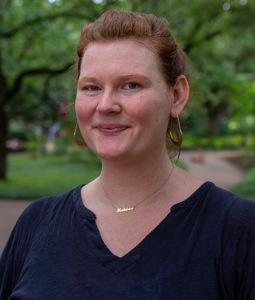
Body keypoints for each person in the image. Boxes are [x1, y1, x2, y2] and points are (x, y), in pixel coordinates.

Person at [0, 11, 255, 300]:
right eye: (92, 87)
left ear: (177, 96)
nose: (106, 105)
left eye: (131, 85)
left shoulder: (238, 229)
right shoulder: (36, 223)